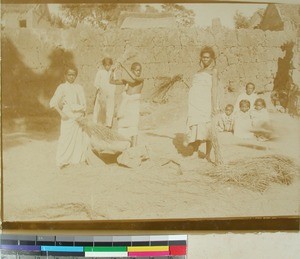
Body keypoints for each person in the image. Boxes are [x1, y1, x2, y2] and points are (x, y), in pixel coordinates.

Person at [50, 66, 89, 168]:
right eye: (69, 75)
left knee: (79, 138)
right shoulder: (62, 87)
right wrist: (61, 113)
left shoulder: (79, 87)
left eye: (73, 75)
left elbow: (83, 103)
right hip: (68, 116)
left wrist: (84, 114)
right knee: (65, 139)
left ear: (76, 75)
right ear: (65, 75)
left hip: (79, 117)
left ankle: (76, 159)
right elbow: (53, 103)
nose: (71, 77)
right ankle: (62, 161)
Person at [185, 46, 217, 162]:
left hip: (205, 103)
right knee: (196, 126)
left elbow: (214, 89)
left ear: (212, 58)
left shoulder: (213, 72)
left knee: (208, 127)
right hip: (195, 103)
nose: (205, 59)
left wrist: (214, 106)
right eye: (203, 57)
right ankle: (195, 149)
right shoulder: (198, 72)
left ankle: (208, 154)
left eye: (208, 57)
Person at [110, 62, 144, 147]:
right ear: (132, 70)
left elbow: (134, 77)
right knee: (123, 126)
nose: (138, 72)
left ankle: (134, 148)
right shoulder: (126, 82)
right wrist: (112, 71)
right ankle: (124, 146)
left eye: (139, 70)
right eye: (136, 70)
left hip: (134, 107)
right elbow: (111, 81)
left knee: (134, 126)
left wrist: (124, 66)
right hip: (126, 108)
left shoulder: (141, 80)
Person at [93, 57, 116, 128]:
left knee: (109, 108)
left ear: (111, 65)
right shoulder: (100, 72)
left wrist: (111, 92)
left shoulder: (112, 73)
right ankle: (96, 123)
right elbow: (96, 83)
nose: (107, 67)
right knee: (98, 108)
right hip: (101, 93)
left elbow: (114, 83)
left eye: (109, 65)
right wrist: (100, 90)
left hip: (109, 94)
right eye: (106, 65)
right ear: (103, 65)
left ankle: (108, 124)